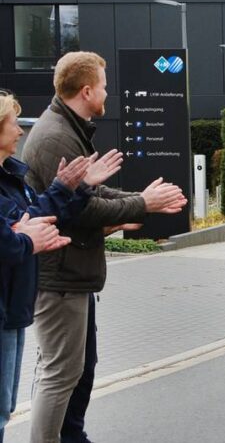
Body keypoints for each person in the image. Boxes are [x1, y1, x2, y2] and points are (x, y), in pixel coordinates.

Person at [20, 51, 188, 443]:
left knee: (77, 369)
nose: (108, 93)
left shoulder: (67, 128)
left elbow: (90, 193)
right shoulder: (56, 136)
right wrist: (143, 203)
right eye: (105, 86)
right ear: (87, 90)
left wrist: (137, 201)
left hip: (71, 274)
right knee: (60, 373)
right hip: (60, 275)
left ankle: (72, 436)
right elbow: (81, 210)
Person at [0, 90, 124, 441]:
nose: (20, 131)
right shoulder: (53, 137)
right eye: (12, 123)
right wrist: (24, 239)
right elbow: (15, 233)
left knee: (8, 404)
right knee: (54, 376)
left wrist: (76, 186)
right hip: (27, 293)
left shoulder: (11, 176)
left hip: (15, 304)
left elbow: (39, 214)